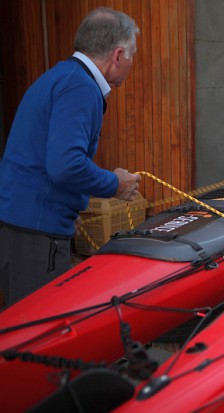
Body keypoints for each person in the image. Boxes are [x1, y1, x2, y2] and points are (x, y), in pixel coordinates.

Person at [0, 7, 141, 306]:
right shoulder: (80, 86)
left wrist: (68, 209)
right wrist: (114, 184)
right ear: (118, 55)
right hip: (34, 233)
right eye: (133, 54)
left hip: (26, 227)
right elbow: (65, 165)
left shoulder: (62, 76)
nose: (132, 62)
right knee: (37, 335)